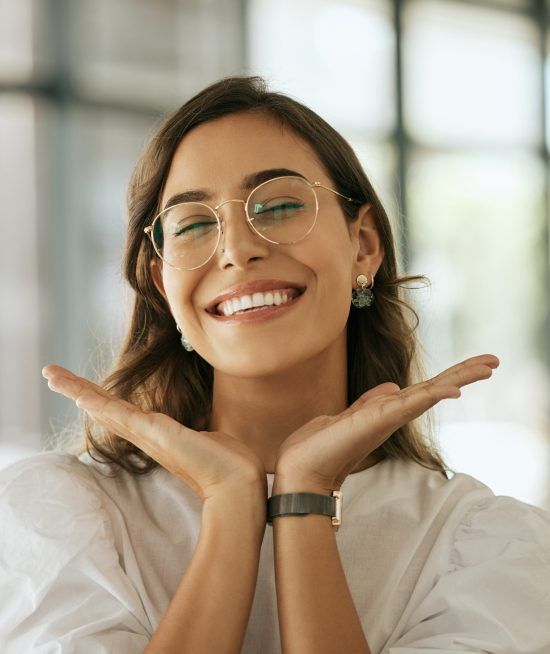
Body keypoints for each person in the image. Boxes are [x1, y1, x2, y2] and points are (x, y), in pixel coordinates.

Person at [0, 75, 548, 654]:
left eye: (281, 205)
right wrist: (229, 506)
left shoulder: (487, 546)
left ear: (362, 244)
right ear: (164, 286)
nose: (237, 249)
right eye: (193, 224)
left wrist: (304, 499)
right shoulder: (56, 521)